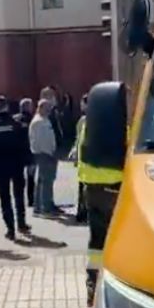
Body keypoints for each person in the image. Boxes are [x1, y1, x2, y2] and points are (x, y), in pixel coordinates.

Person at [75, 102, 123, 307]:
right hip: (115, 190)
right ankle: (117, 290)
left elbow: (81, 156)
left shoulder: (87, 126)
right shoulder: (121, 126)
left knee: (96, 241)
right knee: (118, 242)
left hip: (92, 190)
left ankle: (92, 284)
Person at [0, 96, 30, 240]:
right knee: (19, 195)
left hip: (0, 167)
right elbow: (24, 144)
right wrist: (24, 161)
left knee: (5, 197)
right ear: (7, 107)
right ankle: (21, 223)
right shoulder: (17, 124)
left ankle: (10, 229)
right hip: (17, 165)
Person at [29, 98, 60, 216]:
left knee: (43, 181)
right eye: (47, 108)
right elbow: (41, 141)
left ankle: (40, 206)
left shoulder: (44, 120)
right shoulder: (38, 122)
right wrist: (50, 152)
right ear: (40, 108)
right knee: (46, 181)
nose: (49, 111)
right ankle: (46, 207)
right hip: (44, 154)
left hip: (46, 153)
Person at [68, 94, 90, 223]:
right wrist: (75, 152)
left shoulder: (86, 120)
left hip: (86, 160)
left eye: (83, 103)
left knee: (85, 188)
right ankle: (82, 211)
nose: (81, 106)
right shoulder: (82, 120)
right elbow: (78, 138)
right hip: (83, 160)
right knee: (82, 187)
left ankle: (83, 212)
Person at [16, 98, 36, 209]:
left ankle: (19, 199)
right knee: (31, 177)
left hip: (18, 152)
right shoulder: (33, 119)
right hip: (30, 151)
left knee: (19, 178)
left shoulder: (15, 119)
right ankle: (31, 199)